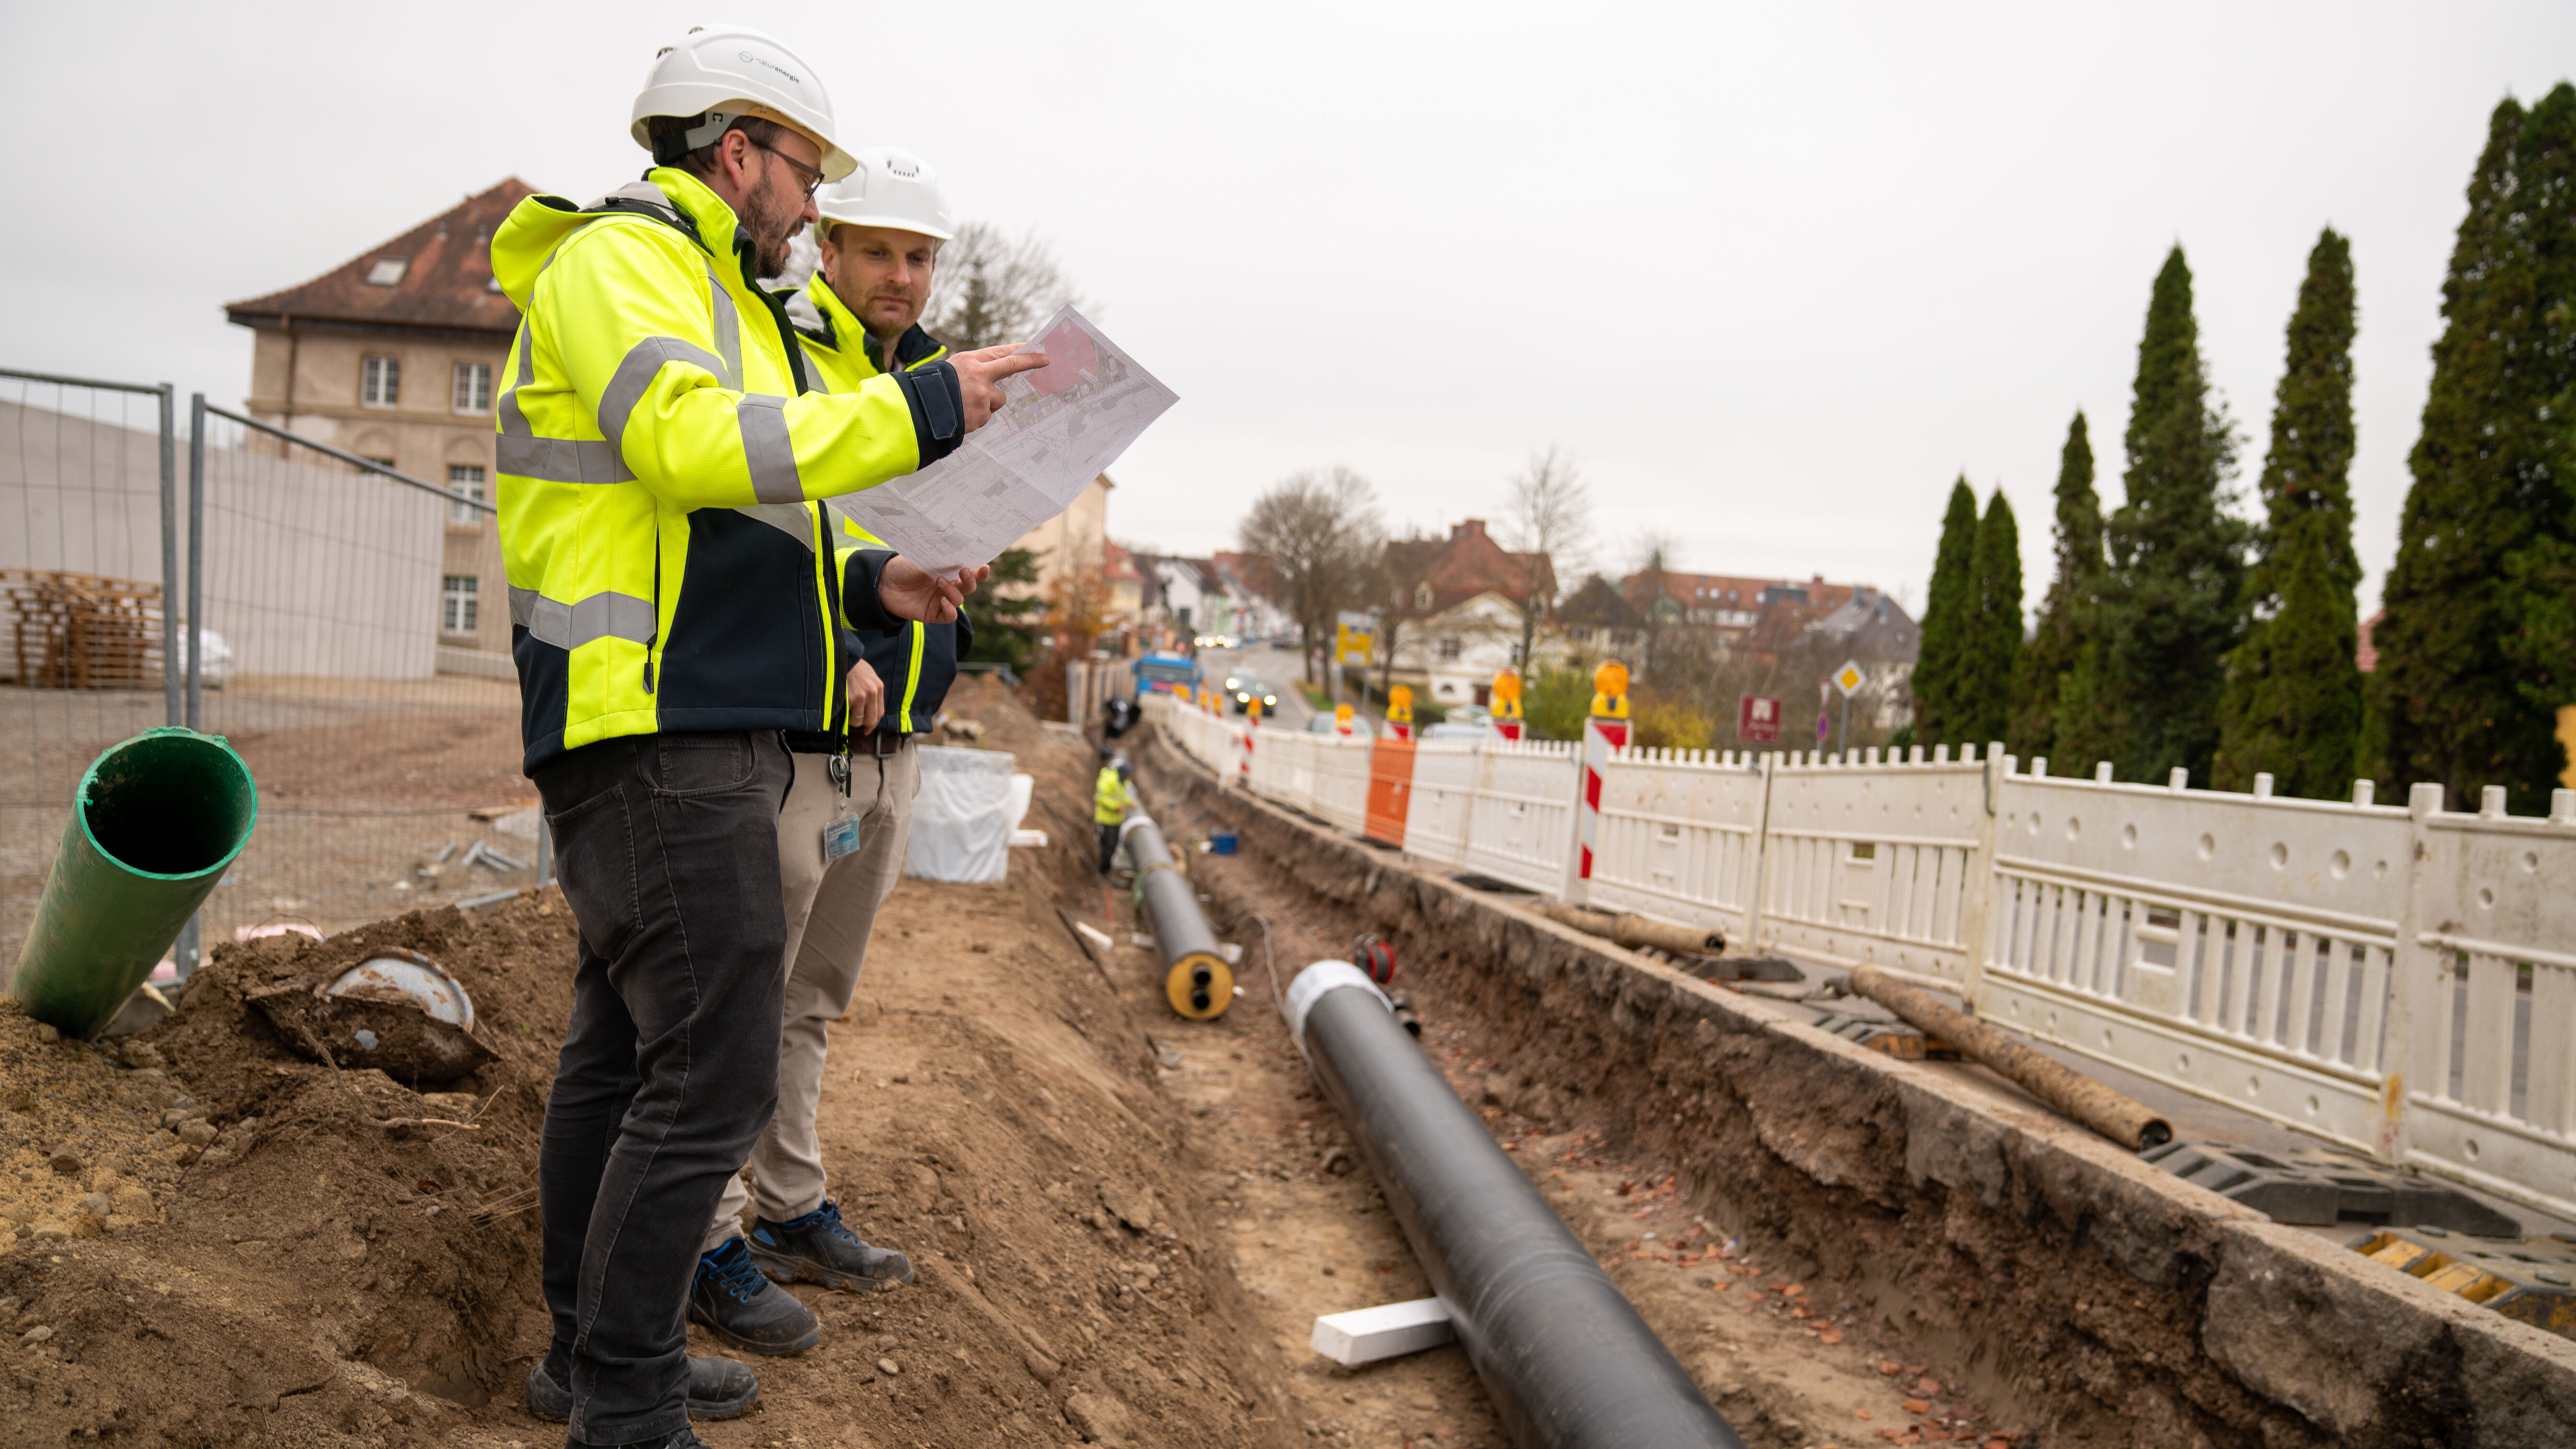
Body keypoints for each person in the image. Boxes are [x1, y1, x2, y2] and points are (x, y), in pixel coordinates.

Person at [493, 27, 1047, 1449]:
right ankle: (625, 1395)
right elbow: (691, 447)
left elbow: (756, 519)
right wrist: (924, 404)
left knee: (623, 1058)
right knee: (712, 1069)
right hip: (649, 717)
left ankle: (591, 1356)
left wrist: (876, 585)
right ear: (734, 152)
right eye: (806, 173)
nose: (813, 205)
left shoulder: (713, 287)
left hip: (688, 713)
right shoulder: (624, 264)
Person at [682, 148, 975, 1356]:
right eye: (879, 252)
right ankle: (710, 1237)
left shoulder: (926, 387)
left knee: (812, 999)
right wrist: (833, 644)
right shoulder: (784, 354)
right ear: (832, 247)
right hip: (800, 735)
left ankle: (791, 1203)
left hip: (891, 744)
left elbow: (902, 551)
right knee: (739, 1000)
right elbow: (762, 532)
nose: (900, 276)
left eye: (919, 258)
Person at [1095, 755, 1138, 873]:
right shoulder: (1108, 781)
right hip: (1106, 820)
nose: (1129, 779)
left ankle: (1107, 869)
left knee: (1113, 846)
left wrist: (1130, 803)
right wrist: (1116, 806)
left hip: (1117, 820)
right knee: (1108, 847)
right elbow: (1100, 798)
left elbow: (1122, 797)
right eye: (1128, 776)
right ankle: (1104, 871)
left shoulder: (1122, 783)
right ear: (1123, 774)